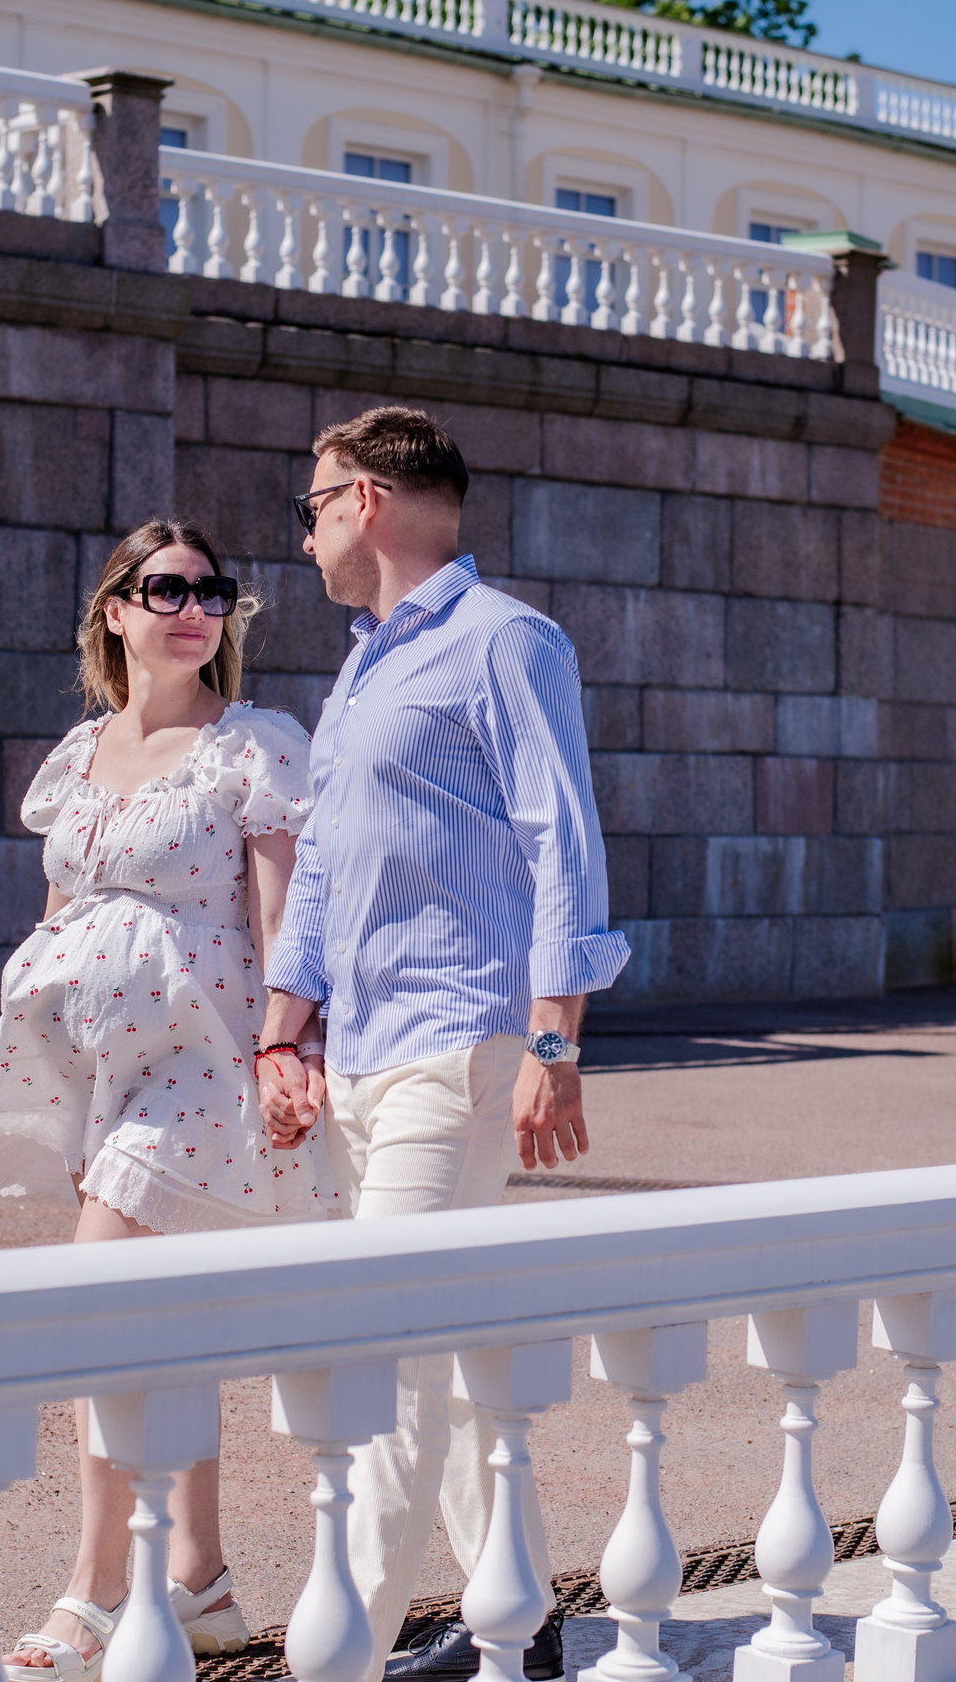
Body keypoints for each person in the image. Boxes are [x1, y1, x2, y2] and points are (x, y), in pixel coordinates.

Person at [257, 407, 630, 1682]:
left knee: (383, 1357)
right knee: (459, 1363)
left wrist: (554, 1036)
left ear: (363, 500)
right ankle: (510, 1629)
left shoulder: (504, 642)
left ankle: (338, 1658)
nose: (300, 536)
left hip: (458, 1041)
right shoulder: (361, 664)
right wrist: (281, 1034)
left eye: (307, 508)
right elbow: (320, 869)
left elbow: (558, 838)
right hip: (358, 1052)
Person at [0, 517, 328, 1682]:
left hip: (203, 1066)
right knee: (165, 1320)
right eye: (164, 589)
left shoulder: (250, 747)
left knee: (99, 1309)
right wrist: (58, 1074)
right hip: (102, 1071)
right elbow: (64, 916)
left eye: (211, 592)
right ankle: (202, 1580)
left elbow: (284, 919)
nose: (192, 609)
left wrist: (285, 1047)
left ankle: (94, 1588)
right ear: (114, 610)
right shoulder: (79, 756)